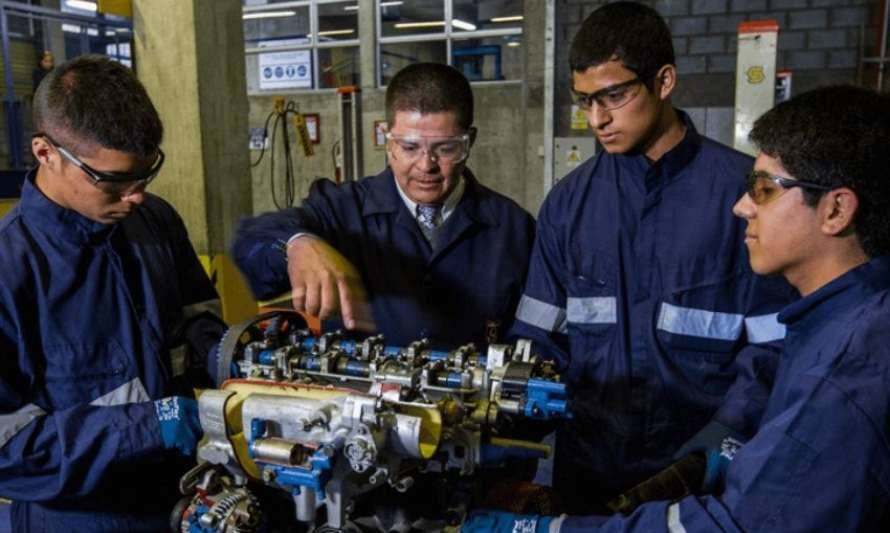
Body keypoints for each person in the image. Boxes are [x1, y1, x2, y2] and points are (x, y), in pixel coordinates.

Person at [465, 84, 890, 533]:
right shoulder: (839, 324)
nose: (741, 206)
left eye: (764, 189)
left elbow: (730, 527)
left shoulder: (845, 374)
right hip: (594, 458)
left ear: (836, 210)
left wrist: (543, 531)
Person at [508, 2, 796, 513]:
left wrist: (723, 439)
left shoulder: (743, 198)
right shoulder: (568, 205)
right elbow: (538, 338)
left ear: (664, 82)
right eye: (585, 101)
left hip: (700, 476)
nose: (596, 118)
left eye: (614, 96)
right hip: (588, 472)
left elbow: (778, 346)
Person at [0, 55, 224, 532]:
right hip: (80, 516)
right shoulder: (9, 269)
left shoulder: (154, 222)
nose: (135, 195)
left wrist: (233, 360)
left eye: (145, 174)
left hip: (183, 497)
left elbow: (196, 317)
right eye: (114, 180)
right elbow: (6, 446)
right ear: (45, 152)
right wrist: (150, 425)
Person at [232, 62, 535, 348]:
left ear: (469, 142)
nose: (425, 165)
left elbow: (535, 338)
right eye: (409, 147)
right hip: (357, 399)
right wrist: (295, 243)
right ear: (388, 142)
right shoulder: (342, 211)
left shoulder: (513, 228)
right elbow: (249, 242)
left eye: (445, 148)